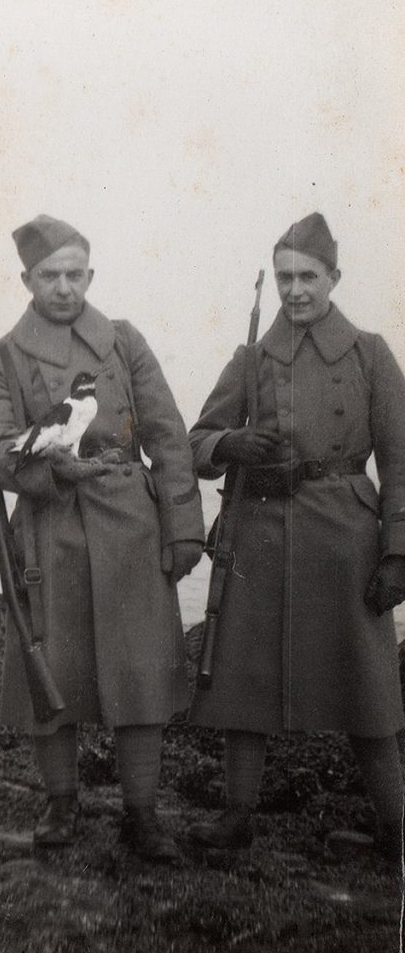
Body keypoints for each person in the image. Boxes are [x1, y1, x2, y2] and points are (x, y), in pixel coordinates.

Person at [0, 214, 205, 863]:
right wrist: (47, 470)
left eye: (75, 274)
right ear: (26, 280)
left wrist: (184, 531)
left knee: (140, 674)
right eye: (50, 276)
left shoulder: (124, 343)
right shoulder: (1, 356)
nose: (64, 288)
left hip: (131, 524)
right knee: (54, 674)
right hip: (50, 531)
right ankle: (60, 806)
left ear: (91, 275)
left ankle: (142, 815)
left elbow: (166, 435)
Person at [187, 212, 405, 864]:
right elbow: (195, 441)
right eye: (283, 277)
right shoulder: (250, 357)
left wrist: (397, 551)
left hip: (343, 538)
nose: (294, 291)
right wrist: (230, 441)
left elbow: (398, 459)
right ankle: (235, 817)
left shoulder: (369, 353)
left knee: (365, 688)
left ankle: (395, 831)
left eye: (307, 276)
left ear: (333, 277)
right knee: (241, 680)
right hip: (258, 534)